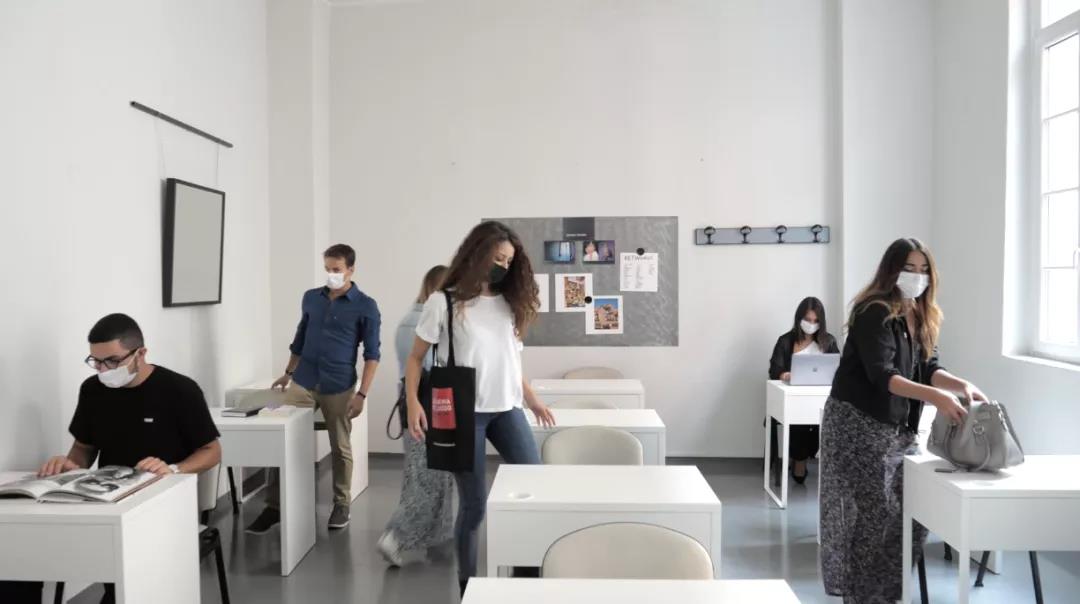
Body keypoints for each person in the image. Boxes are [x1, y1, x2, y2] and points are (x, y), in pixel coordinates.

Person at [0, 313, 222, 604]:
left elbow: (212, 451)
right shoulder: (92, 390)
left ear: (140, 354)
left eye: (113, 361)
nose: (103, 370)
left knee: (130, 586)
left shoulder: (179, 390)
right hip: (106, 503)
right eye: (96, 361)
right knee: (21, 556)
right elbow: (83, 448)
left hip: (162, 506)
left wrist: (173, 468)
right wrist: (68, 467)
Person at [820, 238, 983, 604]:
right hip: (857, 424)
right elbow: (884, 376)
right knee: (875, 515)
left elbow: (928, 367)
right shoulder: (873, 311)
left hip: (896, 429)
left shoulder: (922, 313)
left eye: (924, 270)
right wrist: (936, 397)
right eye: (909, 268)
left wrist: (959, 385)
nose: (917, 276)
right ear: (892, 270)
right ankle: (862, 597)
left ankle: (885, 593)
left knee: (917, 510)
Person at [404, 221, 555, 597]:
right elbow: (415, 358)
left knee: (534, 486)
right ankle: (467, 584)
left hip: (507, 410)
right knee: (474, 505)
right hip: (463, 414)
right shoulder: (444, 302)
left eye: (509, 261)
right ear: (478, 252)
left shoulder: (509, 303)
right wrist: (413, 403)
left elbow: (511, 361)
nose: (503, 266)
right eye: (498, 257)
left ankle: (526, 573)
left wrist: (532, 399)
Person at [247, 244, 382, 533]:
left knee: (340, 447)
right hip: (304, 380)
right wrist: (288, 373)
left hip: (339, 385)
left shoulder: (366, 306)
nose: (331, 274)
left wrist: (362, 394)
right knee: (284, 439)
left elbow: (372, 355)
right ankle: (275, 506)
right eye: (327, 269)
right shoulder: (311, 298)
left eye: (337, 269)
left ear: (351, 270)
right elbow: (300, 336)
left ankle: (341, 504)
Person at [376, 264, 455, 566]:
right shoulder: (425, 322)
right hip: (430, 404)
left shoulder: (409, 318)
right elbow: (430, 367)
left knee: (432, 474)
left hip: (414, 404)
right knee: (428, 477)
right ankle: (395, 536)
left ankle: (440, 537)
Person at [767, 296, 839, 483]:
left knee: (826, 418)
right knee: (799, 419)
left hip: (820, 399)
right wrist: (784, 374)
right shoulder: (785, 341)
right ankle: (799, 460)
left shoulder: (828, 341)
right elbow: (774, 369)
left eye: (816, 321)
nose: (811, 324)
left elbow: (838, 369)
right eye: (808, 319)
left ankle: (803, 458)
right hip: (793, 399)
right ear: (799, 318)